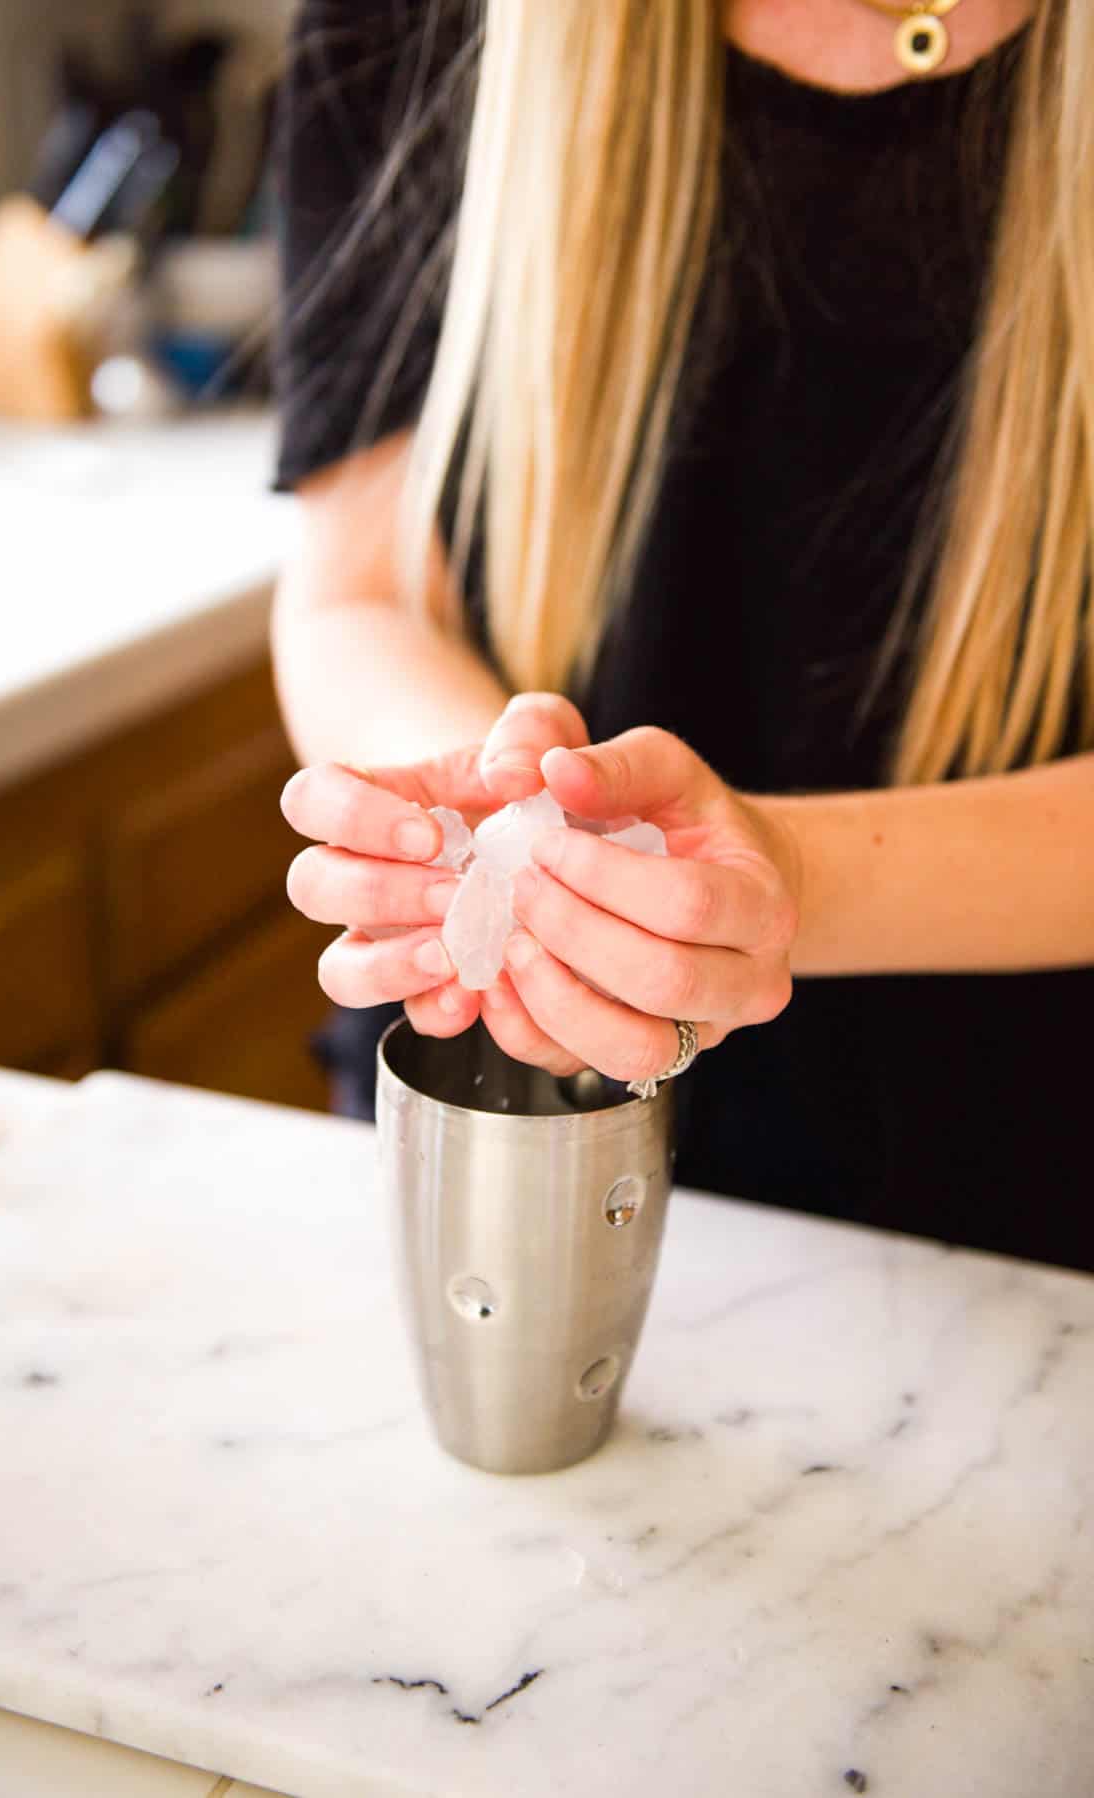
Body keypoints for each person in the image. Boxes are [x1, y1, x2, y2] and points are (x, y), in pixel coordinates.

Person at [270, 0, 1094, 1271]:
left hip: (1023, 1228)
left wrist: (789, 890)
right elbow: (359, 591)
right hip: (495, 1155)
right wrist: (502, 837)